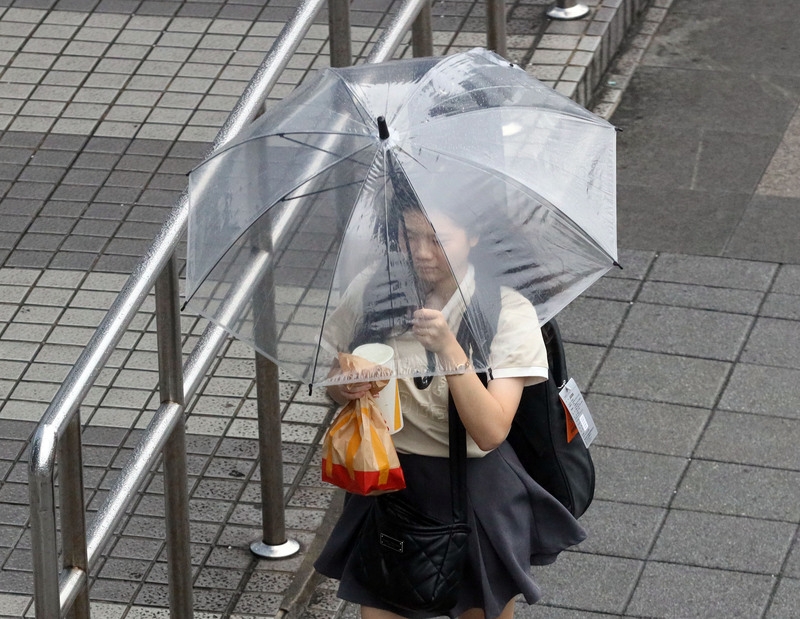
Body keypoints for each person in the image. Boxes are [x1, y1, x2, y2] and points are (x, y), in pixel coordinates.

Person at [314, 195, 586, 619]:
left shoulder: (506, 311)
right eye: (410, 236)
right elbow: (334, 378)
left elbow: (491, 431)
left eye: (438, 239)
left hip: (474, 486)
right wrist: (345, 384)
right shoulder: (374, 289)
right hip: (391, 478)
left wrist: (449, 349)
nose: (421, 252)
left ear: (473, 237)